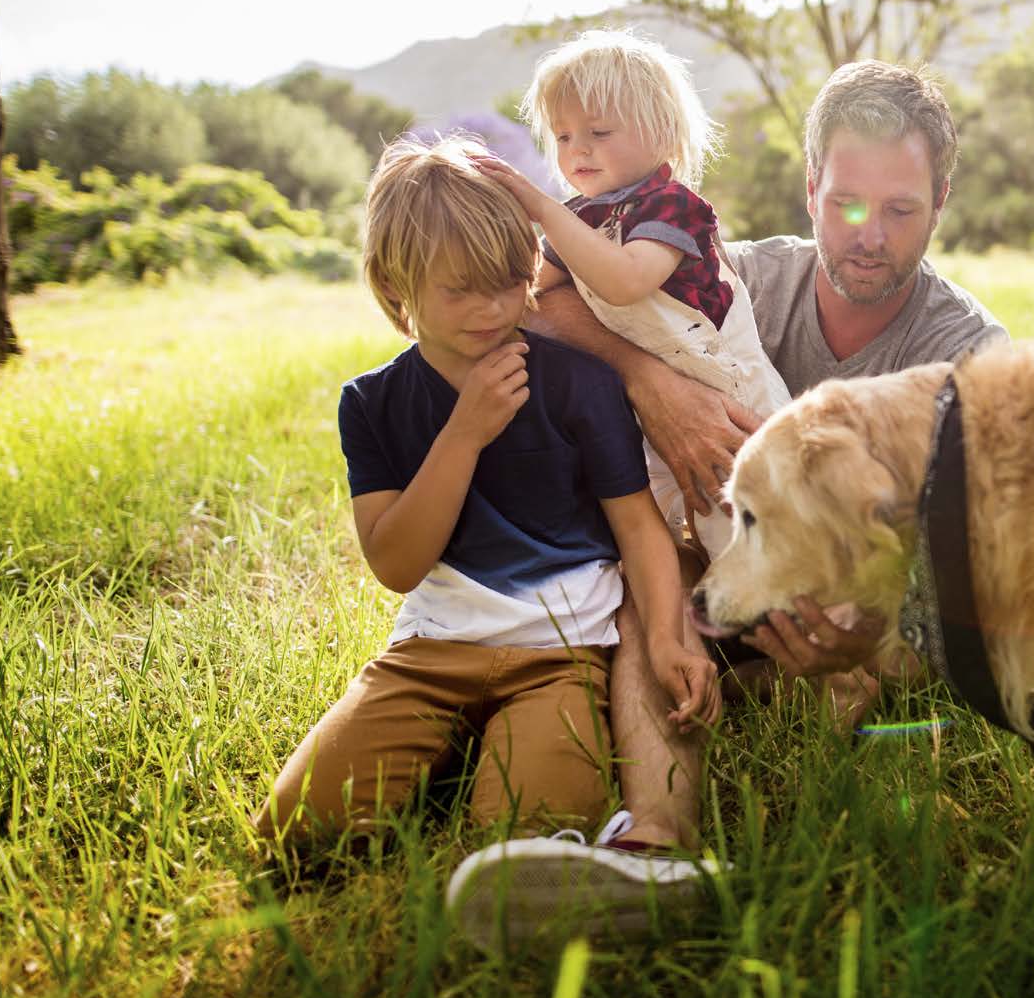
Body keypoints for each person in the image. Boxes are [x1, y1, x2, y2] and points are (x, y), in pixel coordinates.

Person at [445, 59, 1005, 936]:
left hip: (871, 608)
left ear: (940, 202)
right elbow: (545, 308)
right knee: (645, 584)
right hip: (722, 578)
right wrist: (650, 382)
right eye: (846, 203)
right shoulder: (736, 271)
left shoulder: (966, 352)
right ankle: (659, 851)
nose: (869, 235)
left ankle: (842, 719)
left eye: (901, 210)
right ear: (811, 186)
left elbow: (975, 560)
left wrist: (868, 625)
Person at [254, 135, 719, 859]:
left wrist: (663, 636)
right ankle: (444, 751)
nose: (493, 307)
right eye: (459, 288)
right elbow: (397, 563)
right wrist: (463, 434)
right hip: (429, 653)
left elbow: (639, 528)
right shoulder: (371, 404)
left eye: (508, 281)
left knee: (526, 837)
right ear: (391, 286)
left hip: (560, 654)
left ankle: (498, 768)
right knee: (298, 832)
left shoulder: (578, 383)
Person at [476, 28, 790, 562]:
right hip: (656, 424)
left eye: (598, 131)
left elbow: (624, 281)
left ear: (663, 134)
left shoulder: (671, 207)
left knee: (775, 529)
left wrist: (542, 209)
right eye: (563, 136)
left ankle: (813, 626)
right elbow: (533, 295)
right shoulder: (579, 219)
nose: (578, 150)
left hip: (735, 398)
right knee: (704, 537)